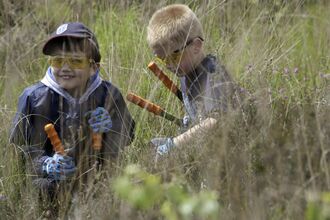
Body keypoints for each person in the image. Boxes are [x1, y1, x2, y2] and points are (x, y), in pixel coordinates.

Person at [10, 22, 135, 216]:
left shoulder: (109, 94)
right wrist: (45, 163)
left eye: (76, 61)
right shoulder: (33, 97)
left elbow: (128, 137)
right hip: (49, 188)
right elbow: (19, 152)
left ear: (93, 67)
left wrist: (111, 128)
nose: (65, 68)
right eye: (58, 61)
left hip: (98, 184)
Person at [147, 4, 240, 155]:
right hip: (205, 142)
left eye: (174, 57)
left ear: (196, 46)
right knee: (151, 147)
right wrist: (190, 121)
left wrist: (175, 144)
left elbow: (215, 120)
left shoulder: (213, 73)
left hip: (228, 151)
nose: (169, 65)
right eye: (163, 59)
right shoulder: (185, 72)